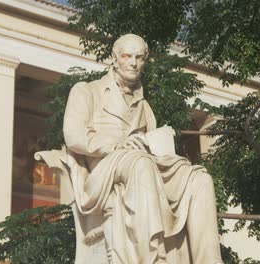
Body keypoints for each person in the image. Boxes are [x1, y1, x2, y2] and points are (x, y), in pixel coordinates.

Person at [62, 34, 223, 264]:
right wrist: (115, 145)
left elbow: (152, 148)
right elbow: (74, 136)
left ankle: (209, 260)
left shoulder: (145, 106)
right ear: (115, 58)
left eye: (139, 57)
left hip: (142, 167)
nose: (133, 63)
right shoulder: (87, 91)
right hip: (103, 172)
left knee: (198, 178)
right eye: (127, 56)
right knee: (140, 162)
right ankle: (153, 258)